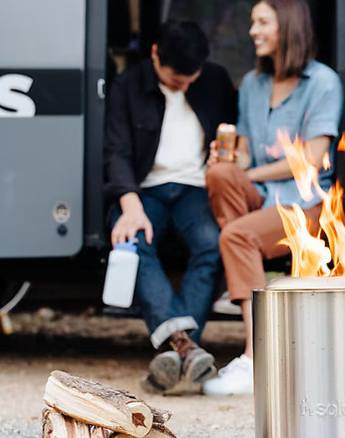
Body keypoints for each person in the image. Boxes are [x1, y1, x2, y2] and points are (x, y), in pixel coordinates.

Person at [202, 0, 343, 396]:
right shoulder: (251, 84)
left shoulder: (323, 83)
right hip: (262, 198)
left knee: (234, 237)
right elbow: (245, 155)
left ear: (287, 26)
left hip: (307, 203)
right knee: (219, 173)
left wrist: (249, 172)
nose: (253, 30)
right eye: (252, 22)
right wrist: (229, 160)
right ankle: (247, 273)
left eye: (262, 22)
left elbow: (312, 159)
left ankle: (255, 357)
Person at [104, 20, 237, 393]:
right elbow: (115, 151)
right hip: (144, 189)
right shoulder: (128, 85)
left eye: (191, 79)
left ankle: (175, 346)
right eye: (177, 79)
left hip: (197, 188)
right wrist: (130, 207)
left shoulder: (214, 79)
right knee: (132, 238)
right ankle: (187, 347)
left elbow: (234, 132)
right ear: (155, 55)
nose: (185, 85)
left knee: (213, 244)